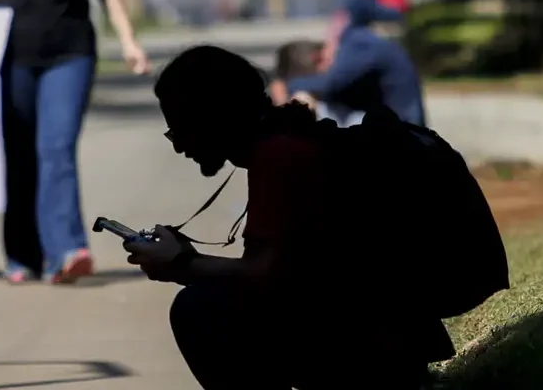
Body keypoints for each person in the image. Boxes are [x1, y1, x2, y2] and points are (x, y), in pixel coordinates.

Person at [123, 45, 454, 389]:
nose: (178, 147)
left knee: (197, 309)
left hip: (370, 344)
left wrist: (183, 263)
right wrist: (187, 262)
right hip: (381, 332)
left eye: (179, 129)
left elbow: (263, 273)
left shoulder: (278, 155)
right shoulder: (288, 138)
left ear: (212, 117)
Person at [0, 0, 150, 284]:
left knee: (57, 148)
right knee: (20, 154)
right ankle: (22, 255)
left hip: (70, 54)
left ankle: (66, 251)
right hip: (8, 58)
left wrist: (128, 40)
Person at [297, 0, 426, 126]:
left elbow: (334, 83)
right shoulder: (369, 40)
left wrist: (293, 85)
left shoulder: (360, 42)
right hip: (403, 125)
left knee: (321, 109)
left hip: (402, 131)